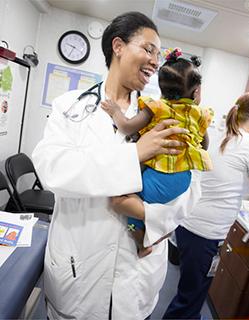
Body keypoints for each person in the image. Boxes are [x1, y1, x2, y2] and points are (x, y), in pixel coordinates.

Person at [32, 12, 201, 320]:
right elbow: (52, 169)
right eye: (148, 49)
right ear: (118, 46)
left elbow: (191, 189)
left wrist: (150, 216)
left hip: (137, 275)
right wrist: (134, 154)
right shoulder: (69, 106)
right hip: (78, 267)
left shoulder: (163, 114)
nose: (154, 61)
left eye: (158, 54)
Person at [163, 92, 249, 320]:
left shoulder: (219, 134)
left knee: (190, 293)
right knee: (190, 299)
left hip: (187, 223)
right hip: (205, 233)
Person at [101, 48, 213, 257]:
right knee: (154, 210)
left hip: (157, 176)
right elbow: (203, 147)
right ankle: (162, 231)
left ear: (161, 86)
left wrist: (115, 111)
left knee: (125, 205)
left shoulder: (157, 107)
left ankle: (142, 244)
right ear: (196, 92)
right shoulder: (200, 114)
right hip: (181, 179)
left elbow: (126, 127)